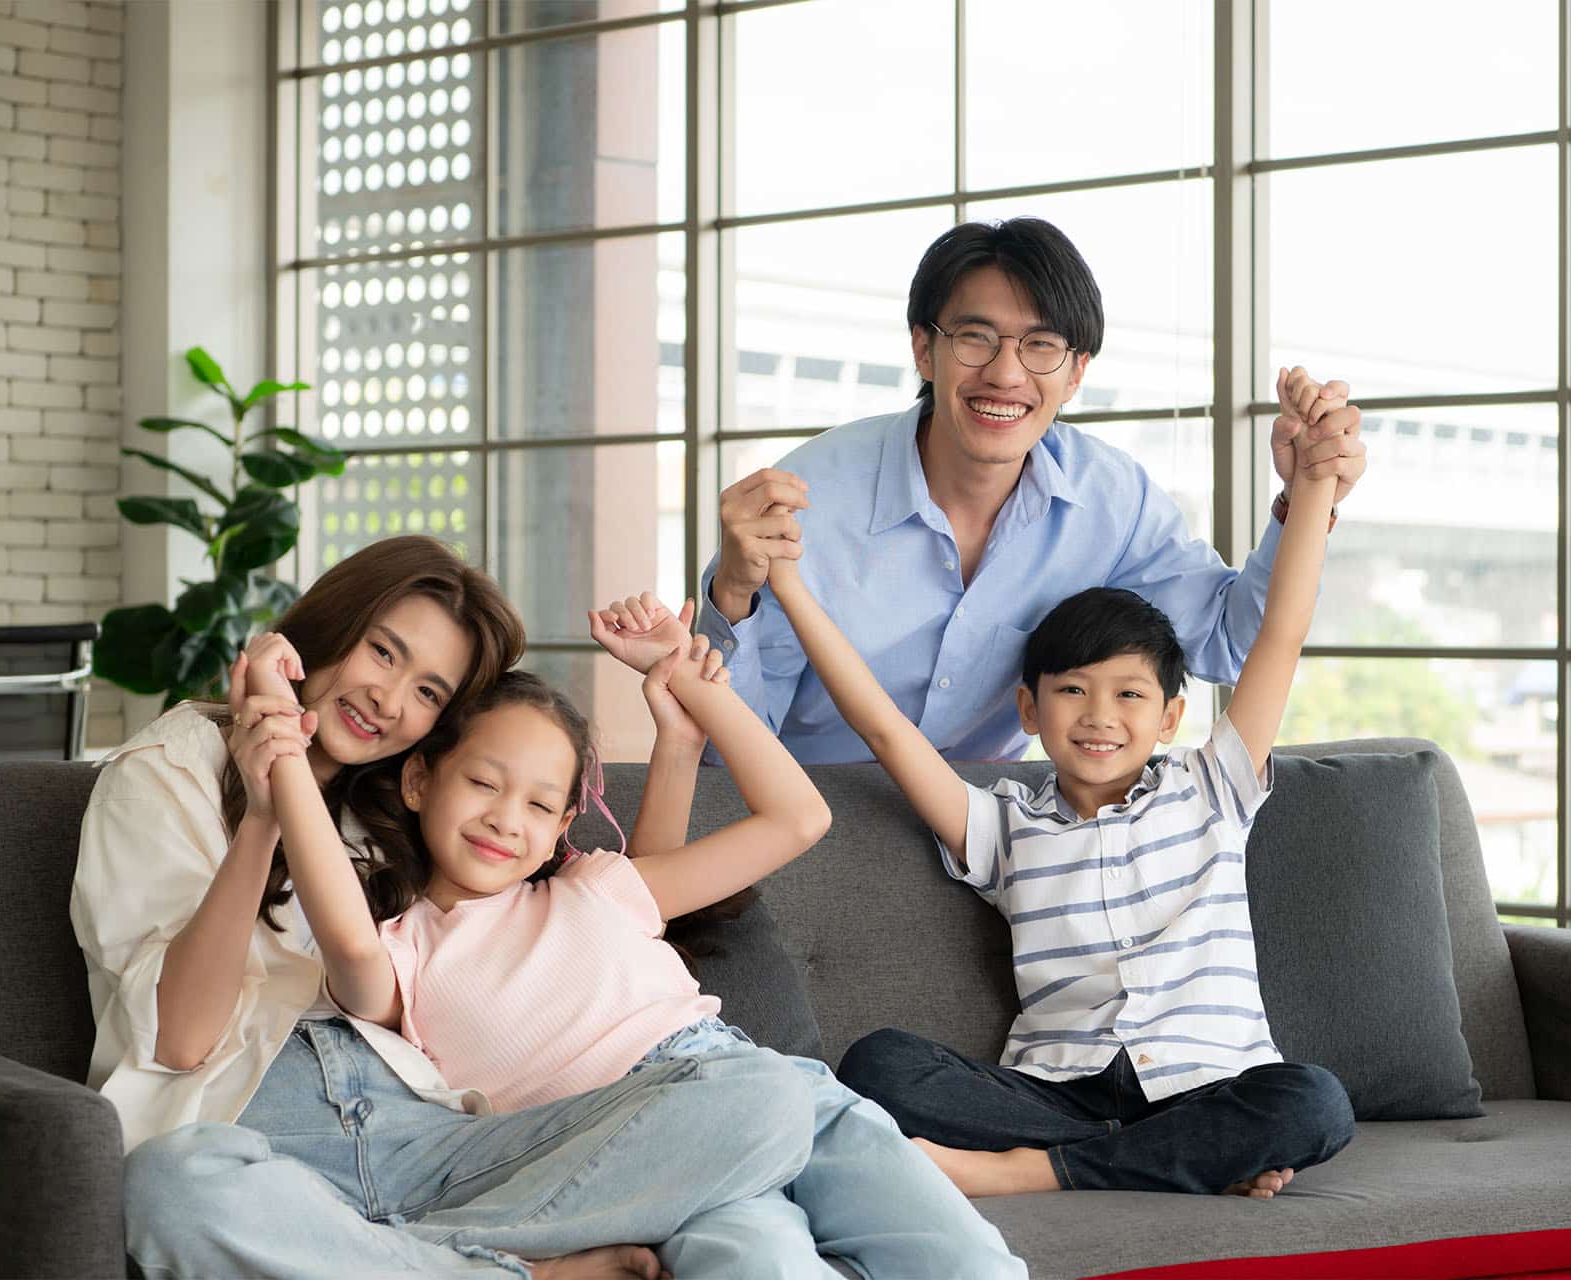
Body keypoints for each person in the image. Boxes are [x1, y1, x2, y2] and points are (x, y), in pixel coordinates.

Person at [71, 536, 818, 1280]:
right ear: (329, 626)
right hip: (268, 1132)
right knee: (167, 1190)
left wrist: (676, 738)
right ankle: (520, 1268)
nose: (389, 700)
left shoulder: (413, 798)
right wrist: (265, 814)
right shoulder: (169, 769)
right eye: (382, 652)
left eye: (429, 692)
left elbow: (622, 917)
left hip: (439, 1137)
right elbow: (181, 1043)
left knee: (764, 1101)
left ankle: (431, 1258)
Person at [245, 593, 1025, 1280]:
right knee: (762, 1266)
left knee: (971, 1263)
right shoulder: (401, 954)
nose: (505, 819)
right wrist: (283, 747)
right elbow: (347, 939)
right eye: (483, 783)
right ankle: (429, 1257)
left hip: (754, 1088)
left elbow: (798, 818)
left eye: (538, 805)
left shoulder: (599, 887)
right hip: (636, 1161)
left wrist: (686, 681)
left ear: (562, 826)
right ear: (420, 780)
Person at [758, 370, 1358, 1198]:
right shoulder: (1001, 826)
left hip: (1207, 1084)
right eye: (1072, 690)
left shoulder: (1212, 787)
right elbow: (886, 729)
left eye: (1130, 696)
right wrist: (787, 583)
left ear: (1171, 716)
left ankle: (1034, 1173)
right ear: (1029, 709)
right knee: (880, 1064)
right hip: (1054, 1094)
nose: (1099, 717)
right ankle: (1176, 1161)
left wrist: (1314, 482)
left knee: (1313, 1103)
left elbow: (1279, 637)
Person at [697, 215, 1367, 763]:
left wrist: (1306, 498)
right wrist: (732, 597)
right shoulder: (811, 498)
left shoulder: (1110, 500)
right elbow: (732, 746)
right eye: (975, 338)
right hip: (813, 811)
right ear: (924, 349)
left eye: (1041, 345)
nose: (1006, 374)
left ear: (1075, 372)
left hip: (991, 825)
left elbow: (1228, 640)